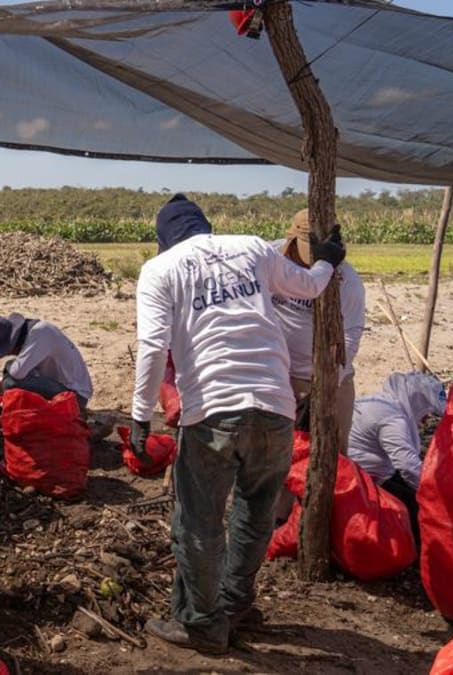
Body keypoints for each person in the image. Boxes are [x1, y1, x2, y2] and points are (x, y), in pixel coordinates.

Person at [130, 194, 344, 654]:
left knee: (198, 521)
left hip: (213, 411)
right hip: (275, 407)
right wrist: (327, 262)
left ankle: (203, 625)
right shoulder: (251, 247)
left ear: (163, 238)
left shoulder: (160, 270)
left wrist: (138, 416)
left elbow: (151, 348)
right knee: (255, 509)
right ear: (205, 226)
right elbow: (308, 286)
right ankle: (234, 602)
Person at [271, 209, 365, 454]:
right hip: (280, 377)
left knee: (331, 456)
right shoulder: (270, 258)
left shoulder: (347, 280)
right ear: (292, 240)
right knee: (279, 459)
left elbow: (350, 335)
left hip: (330, 381)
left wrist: (325, 383)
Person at [347, 372, 446, 536]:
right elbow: (408, 466)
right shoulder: (394, 420)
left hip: (362, 469)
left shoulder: (382, 402)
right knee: (420, 511)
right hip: (363, 478)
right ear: (418, 402)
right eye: (426, 412)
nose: (425, 419)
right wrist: (435, 495)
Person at [0, 313, 93, 411]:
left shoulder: (40, 333)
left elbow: (17, 373)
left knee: (10, 383)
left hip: (75, 396)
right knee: (10, 369)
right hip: (62, 385)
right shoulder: (37, 333)